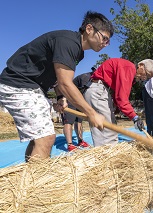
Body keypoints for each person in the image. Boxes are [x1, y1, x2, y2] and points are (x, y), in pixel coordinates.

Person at [0, 11, 114, 161]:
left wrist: (60, 97)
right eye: (104, 38)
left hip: (33, 88)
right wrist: (91, 113)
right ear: (89, 29)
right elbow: (65, 83)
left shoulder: (78, 51)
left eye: (108, 42)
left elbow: (57, 78)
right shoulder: (69, 43)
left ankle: (29, 179)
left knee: (39, 138)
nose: (105, 44)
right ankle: (37, 183)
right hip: (18, 84)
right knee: (46, 138)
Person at [83, 58, 153, 147]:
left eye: (148, 78)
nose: (144, 78)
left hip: (99, 90)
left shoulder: (128, 70)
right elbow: (122, 98)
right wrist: (135, 117)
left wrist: (117, 108)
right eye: (147, 74)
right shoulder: (129, 68)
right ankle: (108, 157)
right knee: (108, 129)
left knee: (107, 127)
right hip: (98, 90)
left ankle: (106, 154)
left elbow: (117, 93)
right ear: (141, 65)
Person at [61, 67, 96, 151]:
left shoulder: (94, 80)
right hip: (69, 99)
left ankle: (80, 140)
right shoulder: (86, 77)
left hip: (79, 101)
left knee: (79, 121)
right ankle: (70, 144)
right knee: (69, 122)